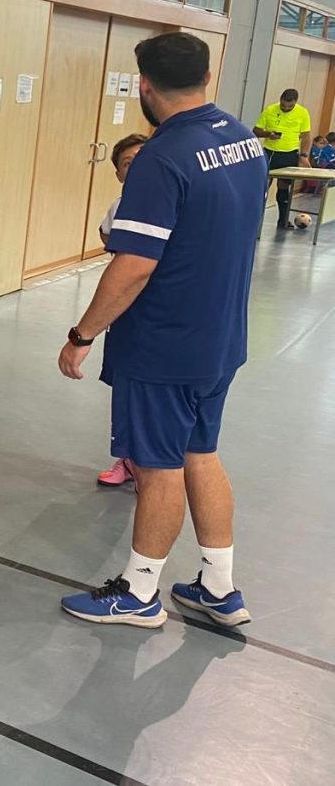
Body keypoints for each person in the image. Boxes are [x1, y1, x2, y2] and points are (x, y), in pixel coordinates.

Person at [58, 32, 261, 629]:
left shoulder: (161, 158)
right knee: (201, 452)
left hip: (164, 345)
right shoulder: (244, 141)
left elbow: (135, 265)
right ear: (207, 77)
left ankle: (139, 593)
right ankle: (219, 587)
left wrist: (82, 334)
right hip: (220, 338)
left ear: (144, 85)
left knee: (157, 466)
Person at [94, 133, 149, 489]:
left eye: (143, 158)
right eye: (128, 163)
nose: (137, 167)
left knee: (153, 389)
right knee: (124, 384)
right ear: (118, 174)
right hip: (127, 310)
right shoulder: (119, 207)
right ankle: (127, 459)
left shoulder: (173, 201)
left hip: (162, 313)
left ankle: (152, 464)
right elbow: (106, 236)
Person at [253, 87, 312, 229]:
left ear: (295, 102)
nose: (285, 108)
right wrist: (268, 134)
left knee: (284, 187)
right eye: (283, 105)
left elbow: (306, 136)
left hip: (289, 154)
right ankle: (254, 220)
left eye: (289, 106)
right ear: (280, 100)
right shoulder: (270, 110)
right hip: (270, 153)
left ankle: (283, 220)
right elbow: (256, 131)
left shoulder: (302, 113)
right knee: (263, 186)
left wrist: (304, 155)